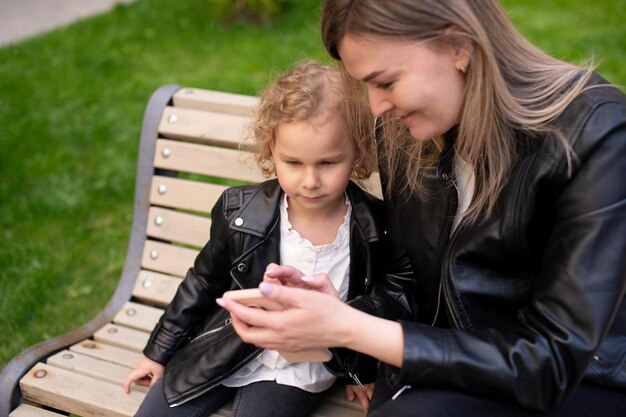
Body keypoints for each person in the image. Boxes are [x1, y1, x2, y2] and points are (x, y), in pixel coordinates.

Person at [217, 1, 626, 416]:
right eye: (366, 85)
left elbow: (551, 364)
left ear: (457, 45)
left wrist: (350, 328)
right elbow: (412, 284)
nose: (376, 107)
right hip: (447, 370)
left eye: (387, 82)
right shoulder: (404, 130)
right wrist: (339, 318)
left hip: (580, 382)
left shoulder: (594, 134)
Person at [122, 60, 386, 416]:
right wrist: (158, 352)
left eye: (327, 163)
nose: (309, 180)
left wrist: (362, 372)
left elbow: (378, 303)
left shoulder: (373, 226)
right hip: (225, 346)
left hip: (300, 368)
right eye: (293, 163)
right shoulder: (240, 211)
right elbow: (202, 281)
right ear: (271, 150)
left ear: (357, 152)